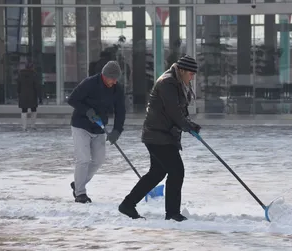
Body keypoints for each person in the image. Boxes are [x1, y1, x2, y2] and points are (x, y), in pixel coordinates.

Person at [118, 55, 201, 222]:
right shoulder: (168, 83)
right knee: (177, 171)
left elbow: (179, 111)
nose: (192, 77)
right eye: (191, 73)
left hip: (161, 134)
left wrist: (188, 124)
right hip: (158, 135)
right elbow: (173, 111)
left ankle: (128, 204)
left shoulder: (177, 82)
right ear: (182, 70)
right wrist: (186, 125)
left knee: (157, 173)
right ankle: (172, 213)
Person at [67, 61, 126, 203]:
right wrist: (87, 111)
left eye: (116, 78)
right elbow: (72, 99)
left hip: (99, 127)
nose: (114, 81)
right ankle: (80, 193)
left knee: (99, 160)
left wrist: (117, 130)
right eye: (112, 78)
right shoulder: (90, 83)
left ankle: (78, 183)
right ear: (104, 75)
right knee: (84, 159)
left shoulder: (117, 89)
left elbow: (120, 110)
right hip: (81, 125)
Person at [17, 62, 42, 131]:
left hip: (23, 95)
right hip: (32, 95)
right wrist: (40, 97)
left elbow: (18, 85)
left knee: (24, 110)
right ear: (32, 67)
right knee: (33, 109)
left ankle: (24, 127)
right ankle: (33, 125)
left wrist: (19, 93)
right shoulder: (34, 75)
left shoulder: (20, 74)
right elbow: (37, 87)